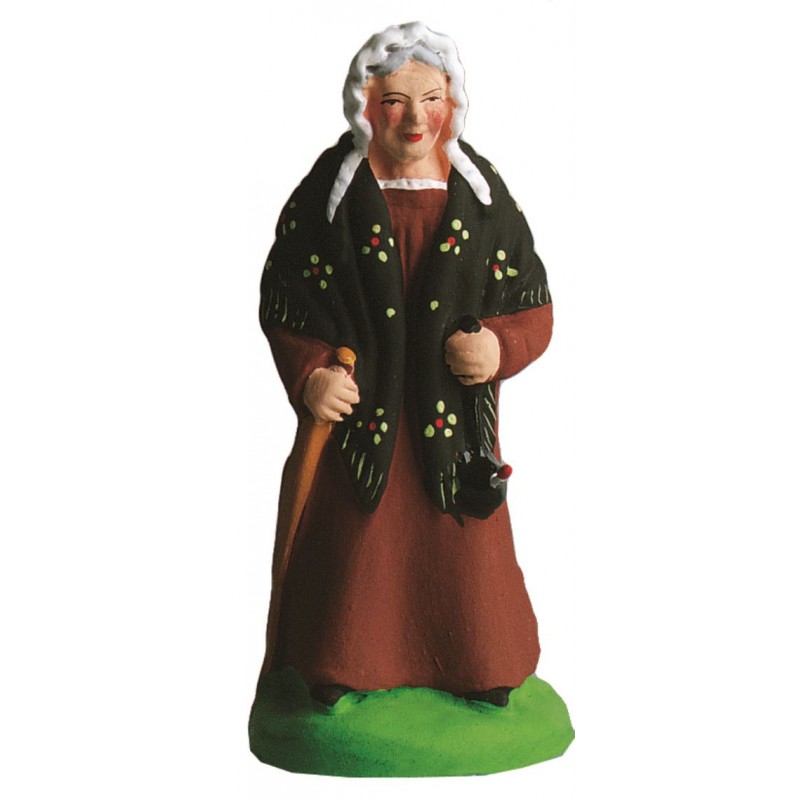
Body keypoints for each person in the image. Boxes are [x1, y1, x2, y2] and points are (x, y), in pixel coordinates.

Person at [258, 22, 554, 708]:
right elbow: (286, 298)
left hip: (457, 430)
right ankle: (340, 662)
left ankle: (478, 662)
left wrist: (498, 347)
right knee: (357, 548)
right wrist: (312, 373)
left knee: (463, 554)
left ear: (452, 101)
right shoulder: (328, 196)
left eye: (429, 100)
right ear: (366, 106)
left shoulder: (483, 199)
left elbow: (534, 306)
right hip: (363, 424)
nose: (415, 119)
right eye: (394, 102)